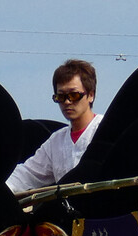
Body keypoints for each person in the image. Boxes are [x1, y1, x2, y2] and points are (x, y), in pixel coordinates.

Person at [6, 60, 103, 193]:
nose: (67, 102)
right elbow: (27, 174)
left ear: (90, 95)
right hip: (70, 212)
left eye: (74, 95)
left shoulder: (106, 130)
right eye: (61, 96)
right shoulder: (56, 141)